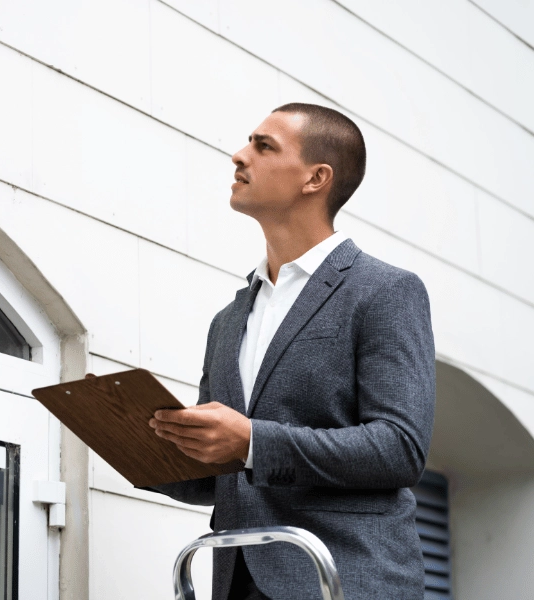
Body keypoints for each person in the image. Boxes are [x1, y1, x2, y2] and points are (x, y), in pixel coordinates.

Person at [147, 103, 435, 599]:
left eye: (263, 147)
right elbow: (223, 472)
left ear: (315, 178)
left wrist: (253, 441)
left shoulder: (385, 291)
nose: (239, 156)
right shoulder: (229, 320)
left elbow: (399, 448)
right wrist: (141, 447)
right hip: (236, 579)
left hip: (342, 578)